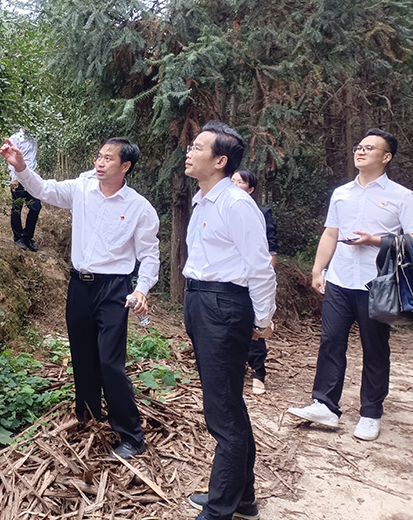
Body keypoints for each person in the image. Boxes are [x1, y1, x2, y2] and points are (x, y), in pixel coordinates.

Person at [0, 137, 160, 459]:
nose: (99, 163)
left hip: (114, 289)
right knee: (82, 356)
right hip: (79, 286)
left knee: (110, 362)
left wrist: (141, 288)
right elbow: (44, 189)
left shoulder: (139, 208)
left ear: (125, 166)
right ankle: (88, 418)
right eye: (99, 156)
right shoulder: (81, 189)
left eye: (108, 158)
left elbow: (150, 254)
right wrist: (21, 167)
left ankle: (131, 436)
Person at [287, 128, 413, 441]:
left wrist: (375, 240)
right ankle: (325, 405)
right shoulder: (341, 193)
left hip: (377, 284)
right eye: (359, 146)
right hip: (340, 279)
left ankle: (371, 413)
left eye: (370, 148)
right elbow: (331, 233)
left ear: (386, 157)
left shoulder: (402, 196)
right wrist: (318, 270)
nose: (361, 151)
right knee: (331, 342)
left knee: (375, 348)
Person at [182, 121, 276, 520]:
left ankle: (220, 508)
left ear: (220, 160)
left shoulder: (237, 205)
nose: (189, 151)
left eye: (197, 147)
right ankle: (243, 499)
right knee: (228, 404)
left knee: (222, 411)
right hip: (201, 301)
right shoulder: (203, 200)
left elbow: (260, 267)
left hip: (223, 306)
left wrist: (263, 319)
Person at [231, 169, 279, 395]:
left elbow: (271, 248)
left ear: (250, 189)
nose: (234, 184)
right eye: (232, 180)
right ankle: (235, 367)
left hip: (254, 277)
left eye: (240, 182)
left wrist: (265, 279)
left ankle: (258, 372)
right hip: (230, 279)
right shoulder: (221, 209)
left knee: (255, 323)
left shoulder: (261, 212)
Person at [7, 129, 41, 252]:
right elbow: (11, 159)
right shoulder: (16, 138)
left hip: (32, 178)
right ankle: (18, 238)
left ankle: (27, 237)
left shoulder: (34, 137)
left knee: (36, 207)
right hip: (18, 178)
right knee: (17, 208)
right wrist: (13, 178)